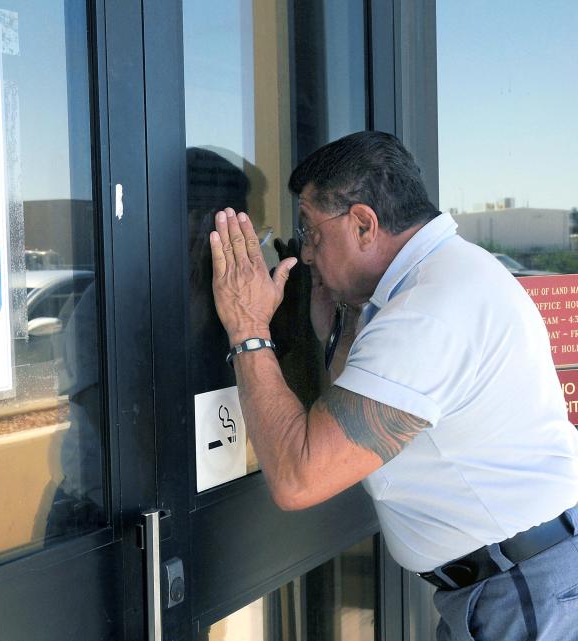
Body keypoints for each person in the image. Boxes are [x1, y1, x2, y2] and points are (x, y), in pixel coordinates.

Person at [208, 130, 578, 641]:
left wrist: (248, 328)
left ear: (363, 223)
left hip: (523, 593)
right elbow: (357, 416)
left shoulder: (428, 311)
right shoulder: (435, 279)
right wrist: (332, 331)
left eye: (311, 231)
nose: (307, 255)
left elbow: (300, 478)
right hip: (513, 583)